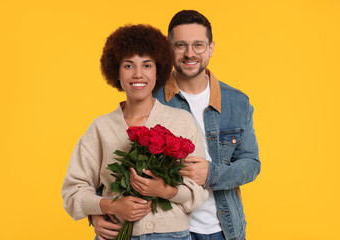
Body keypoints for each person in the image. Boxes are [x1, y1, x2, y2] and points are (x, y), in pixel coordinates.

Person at [91, 10, 261, 240]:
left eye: (198, 45)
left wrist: (212, 174)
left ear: (210, 48)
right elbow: (114, 158)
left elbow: (251, 164)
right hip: (166, 229)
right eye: (180, 45)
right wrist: (99, 212)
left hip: (224, 227)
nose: (189, 53)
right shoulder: (150, 95)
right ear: (169, 50)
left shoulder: (237, 102)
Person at [61, 24, 208, 240]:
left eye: (147, 65)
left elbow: (197, 191)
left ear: (158, 70)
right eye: (128, 66)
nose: (138, 74)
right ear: (116, 70)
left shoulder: (182, 122)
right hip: (116, 234)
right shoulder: (101, 127)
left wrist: (165, 191)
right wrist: (109, 206)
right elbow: (73, 192)